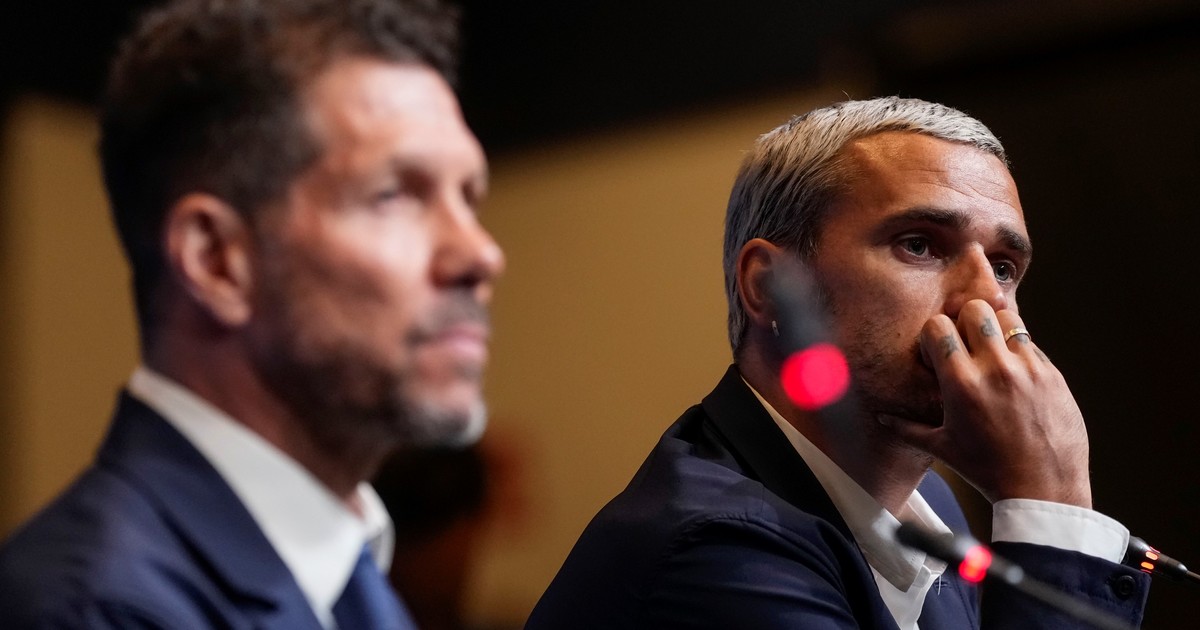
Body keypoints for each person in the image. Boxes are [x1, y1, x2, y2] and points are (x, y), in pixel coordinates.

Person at [527, 97, 1149, 629]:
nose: (985, 301)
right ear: (772, 289)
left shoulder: (930, 503)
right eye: (919, 245)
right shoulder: (716, 548)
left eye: (1004, 267)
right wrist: (1051, 501)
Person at [0, 0, 504, 627]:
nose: (481, 253)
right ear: (216, 260)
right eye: (394, 194)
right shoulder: (98, 608)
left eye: (469, 197)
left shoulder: (349, 573)